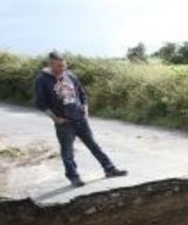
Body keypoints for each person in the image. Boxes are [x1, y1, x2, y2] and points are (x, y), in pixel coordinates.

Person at [34, 51, 126, 187]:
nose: (62, 69)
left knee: (94, 146)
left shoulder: (70, 75)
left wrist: (86, 112)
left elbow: (82, 95)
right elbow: (40, 103)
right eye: (59, 66)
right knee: (67, 152)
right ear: (50, 64)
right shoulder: (42, 80)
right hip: (64, 122)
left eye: (64, 65)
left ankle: (110, 169)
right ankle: (74, 177)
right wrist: (55, 118)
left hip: (80, 119)